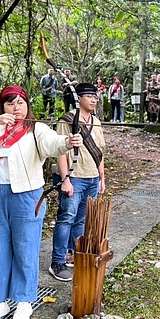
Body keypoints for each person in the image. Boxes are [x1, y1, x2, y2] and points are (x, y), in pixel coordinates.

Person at [0, 85, 83, 319]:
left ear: (27, 105)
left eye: (21, 103)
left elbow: (52, 143)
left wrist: (68, 141)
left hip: (26, 197)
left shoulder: (36, 129)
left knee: (25, 249)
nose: (16, 108)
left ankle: (24, 303)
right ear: (2, 107)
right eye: (10, 103)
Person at [49, 83, 106, 281]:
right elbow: (61, 151)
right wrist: (65, 179)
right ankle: (58, 261)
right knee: (67, 218)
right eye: (89, 96)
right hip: (74, 177)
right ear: (79, 98)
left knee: (82, 219)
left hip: (92, 177)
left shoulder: (96, 121)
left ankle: (74, 253)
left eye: (95, 96)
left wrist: (101, 178)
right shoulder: (67, 120)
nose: (94, 99)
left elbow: (100, 152)